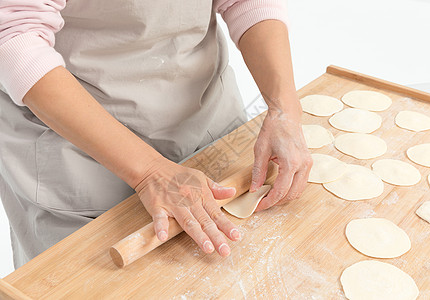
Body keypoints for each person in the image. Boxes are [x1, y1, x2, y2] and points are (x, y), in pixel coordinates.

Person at [0, 0, 312, 268]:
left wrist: (283, 106)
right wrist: (150, 171)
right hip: (80, 152)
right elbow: (16, 40)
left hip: (205, 121)